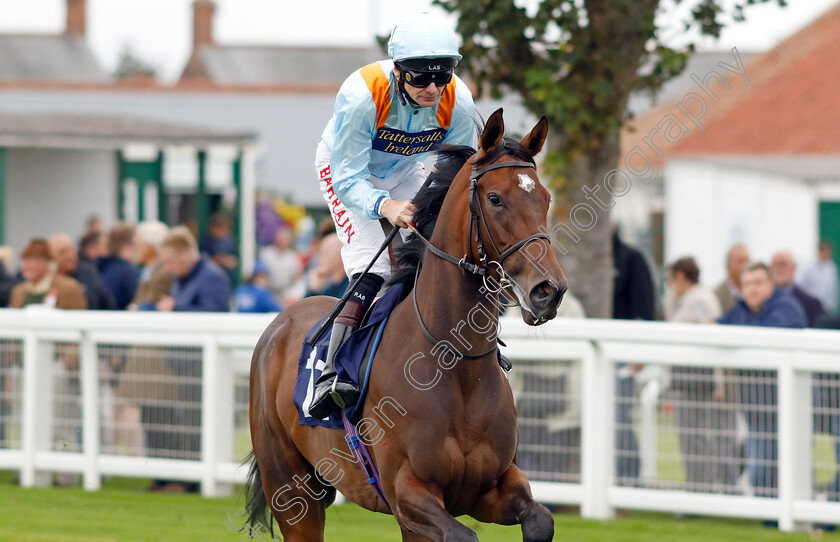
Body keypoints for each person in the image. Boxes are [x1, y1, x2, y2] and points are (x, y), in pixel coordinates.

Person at [309, 11, 476, 416]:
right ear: (399, 71)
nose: (433, 87)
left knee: (434, 253)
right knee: (375, 263)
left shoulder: (459, 100)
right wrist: (385, 206)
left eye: (443, 76)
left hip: (403, 169)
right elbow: (348, 178)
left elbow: (454, 172)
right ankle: (331, 371)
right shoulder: (362, 94)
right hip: (346, 169)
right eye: (421, 78)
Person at [718, 262, 807, 498]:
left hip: (789, 407)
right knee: (761, 473)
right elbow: (719, 326)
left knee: (792, 467)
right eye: (747, 284)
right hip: (758, 410)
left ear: (771, 284)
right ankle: (771, 519)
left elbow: (767, 333)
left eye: (758, 283)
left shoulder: (787, 307)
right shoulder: (740, 310)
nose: (752, 289)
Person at [664, 257, 740, 492]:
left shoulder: (698, 299)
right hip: (689, 378)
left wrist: (718, 382)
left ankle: (701, 489)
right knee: (693, 438)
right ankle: (700, 488)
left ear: (679, 276)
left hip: (697, 379)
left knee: (696, 438)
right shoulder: (689, 298)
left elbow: (683, 330)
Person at [612, 229, 655, 482]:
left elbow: (645, 310)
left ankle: (629, 479)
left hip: (622, 356)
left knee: (620, 419)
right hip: (591, 357)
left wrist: (639, 353)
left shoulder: (631, 259)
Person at [157, 226, 230, 313]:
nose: (167, 268)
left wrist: (175, 308)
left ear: (186, 254)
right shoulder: (181, 276)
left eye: (170, 261)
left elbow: (215, 315)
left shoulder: (213, 277)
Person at [49, 233, 116, 310]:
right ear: (52, 258)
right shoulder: (49, 279)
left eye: (71, 250)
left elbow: (107, 303)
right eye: (63, 252)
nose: (70, 256)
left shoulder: (88, 274)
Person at [770, 250, 825, 327]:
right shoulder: (760, 301)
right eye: (775, 264)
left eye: (783, 264)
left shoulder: (812, 304)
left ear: (794, 267)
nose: (778, 268)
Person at [128, 221, 172, 311]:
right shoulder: (147, 270)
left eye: (139, 245)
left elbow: (151, 302)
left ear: (149, 248)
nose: (136, 250)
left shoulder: (164, 272)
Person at [98, 223, 140, 310]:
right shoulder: (128, 272)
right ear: (126, 247)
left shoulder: (102, 267)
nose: (140, 250)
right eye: (137, 245)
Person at [258, 226, 303, 306]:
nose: (284, 241)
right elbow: (260, 273)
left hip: (285, 293)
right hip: (268, 292)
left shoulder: (293, 257)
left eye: (286, 238)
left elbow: (297, 276)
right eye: (282, 238)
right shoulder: (266, 254)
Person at [304, 234, 349, 299]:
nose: (320, 260)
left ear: (337, 256)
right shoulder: (333, 288)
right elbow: (305, 308)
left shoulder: (351, 287)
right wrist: (314, 290)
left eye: (323, 254)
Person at [800, 241, 839, 314]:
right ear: (819, 251)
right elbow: (803, 286)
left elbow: (833, 287)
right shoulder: (809, 267)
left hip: (827, 307)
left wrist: (833, 304)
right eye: (824, 251)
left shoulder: (831, 267)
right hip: (811, 306)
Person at [199, 213, 238, 282]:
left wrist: (227, 261)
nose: (219, 232)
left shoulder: (231, 242)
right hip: (209, 278)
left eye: (221, 228)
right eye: (216, 228)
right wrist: (216, 260)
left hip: (227, 277)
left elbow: (236, 260)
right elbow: (200, 260)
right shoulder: (205, 242)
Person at [714, 244, 750, 313]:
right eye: (741, 261)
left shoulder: (756, 293)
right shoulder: (716, 295)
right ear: (728, 265)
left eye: (748, 261)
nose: (745, 266)